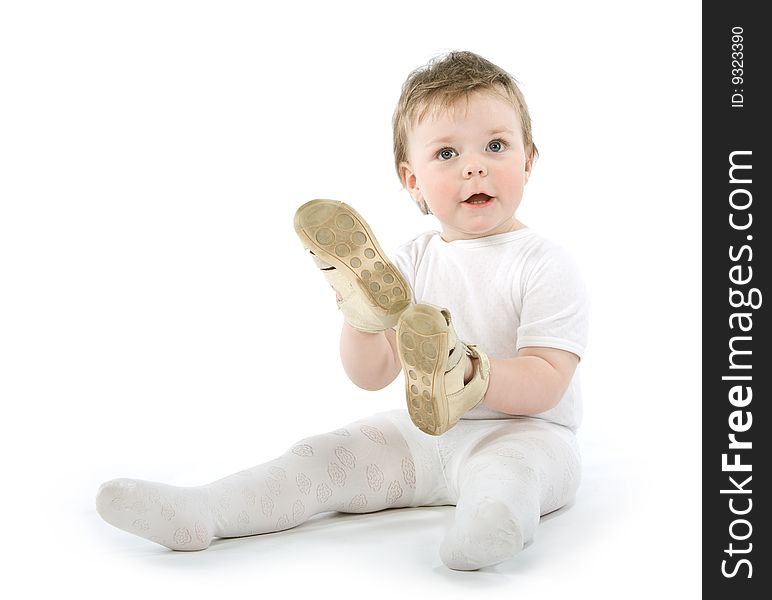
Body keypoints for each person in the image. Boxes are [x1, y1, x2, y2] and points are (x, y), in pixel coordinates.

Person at [96, 50, 589, 571]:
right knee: (324, 456)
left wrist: (468, 373)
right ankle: (205, 510)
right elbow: (370, 374)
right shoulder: (408, 265)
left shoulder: (545, 264)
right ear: (412, 180)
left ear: (528, 159)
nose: (474, 165)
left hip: (531, 435)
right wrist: (363, 321)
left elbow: (547, 382)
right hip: (427, 436)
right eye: (446, 153)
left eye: (496, 145)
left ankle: (488, 530)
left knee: (509, 479)